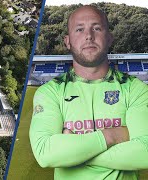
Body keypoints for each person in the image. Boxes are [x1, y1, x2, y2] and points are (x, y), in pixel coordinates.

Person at [29, 5, 148, 180]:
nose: (89, 36)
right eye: (79, 29)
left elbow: (145, 153)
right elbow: (45, 154)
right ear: (67, 41)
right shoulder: (49, 92)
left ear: (109, 38)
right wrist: (112, 136)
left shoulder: (135, 88)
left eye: (97, 28)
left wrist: (72, 154)